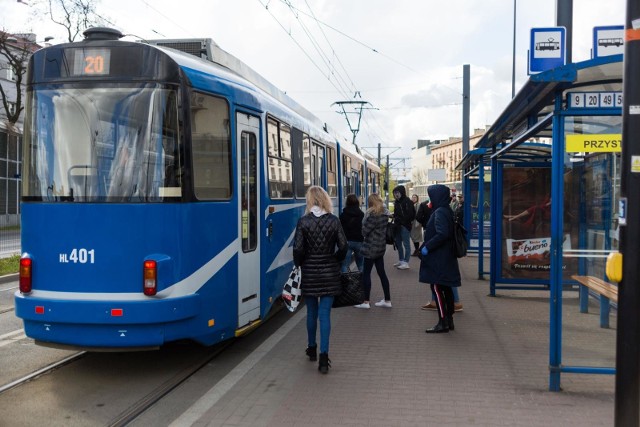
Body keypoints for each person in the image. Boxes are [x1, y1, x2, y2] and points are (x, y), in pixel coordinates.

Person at [293, 186, 348, 373]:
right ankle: (324, 358)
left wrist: (298, 264)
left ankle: (312, 349)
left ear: (309, 201)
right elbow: (344, 246)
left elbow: (298, 249)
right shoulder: (334, 221)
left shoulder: (303, 222)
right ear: (325, 199)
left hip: (309, 273)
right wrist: (335, 260)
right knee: (325, 315)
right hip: (329, 273)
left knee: (311, 313)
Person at [419, 184, 462, 333]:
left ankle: (442, 322)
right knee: (446, 288)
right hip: (445, 256)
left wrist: (427, 247)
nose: (430, 199)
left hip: (439, 257)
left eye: (431, 196)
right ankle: (449, 320)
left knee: (437, 288)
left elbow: (442, 234)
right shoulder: (446, 210)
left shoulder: (439, 212)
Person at [354, 193, 392, 309]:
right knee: (382, 273)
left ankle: (366, 302)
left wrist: (363, 224)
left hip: (371, 248)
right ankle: (387, 300)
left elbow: (365, 232)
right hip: (380, 247)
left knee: (366, 274)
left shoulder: (373, 215)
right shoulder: (385, 214)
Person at [392, 185, 415, 270]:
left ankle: (406, 262)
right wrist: (392, 216)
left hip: (405, 226)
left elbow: (411, 215)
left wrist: (402, 221)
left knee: (406, 245)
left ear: (402, 192)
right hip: (397, 226)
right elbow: (397, 214)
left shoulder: (407, 201)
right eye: (394, 193)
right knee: (398, 244)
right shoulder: (396, 202)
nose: (396, 195)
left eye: (397, 193)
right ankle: (401, 260)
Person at [339, 194, 365, 272]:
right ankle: (363, 282)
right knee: (361, 265)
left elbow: (340, 229)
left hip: (347, 241)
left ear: (347, 202)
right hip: (359, 241)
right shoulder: (361, 214)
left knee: (344, 265)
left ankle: (345, 283)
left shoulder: (343, 215)